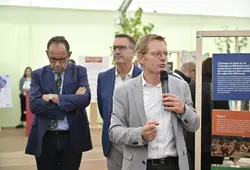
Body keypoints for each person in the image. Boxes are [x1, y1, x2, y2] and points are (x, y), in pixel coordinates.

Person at [109, 34, 200, 170]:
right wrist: (140, 134)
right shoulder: (124, 91)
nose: (163, 58)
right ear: (141, 58)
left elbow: (194, 125)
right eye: (156, 54)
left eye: (165, 53)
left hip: (174, 165)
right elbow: (114, 131)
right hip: (140, 166)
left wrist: (183, 110)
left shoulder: (181, 86)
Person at [25, 36, 92, 170]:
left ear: (69, 55)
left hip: (72, 137)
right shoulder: (38, 74)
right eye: (53, 59)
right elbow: (34, 105)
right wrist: (71, 102)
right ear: (47, 55)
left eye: (62, 59)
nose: (57, 64)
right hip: (45, 137)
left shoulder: (79, 72)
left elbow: (85, 99)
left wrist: (55, 98)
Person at [97, 34, 142, 170]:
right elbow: (103, 108)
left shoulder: (143, 76)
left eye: (122, 48)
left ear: (134, 52)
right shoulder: (104, 77)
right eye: (115, 48)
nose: (117, 52)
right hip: (114, 143)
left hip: (138, 142)